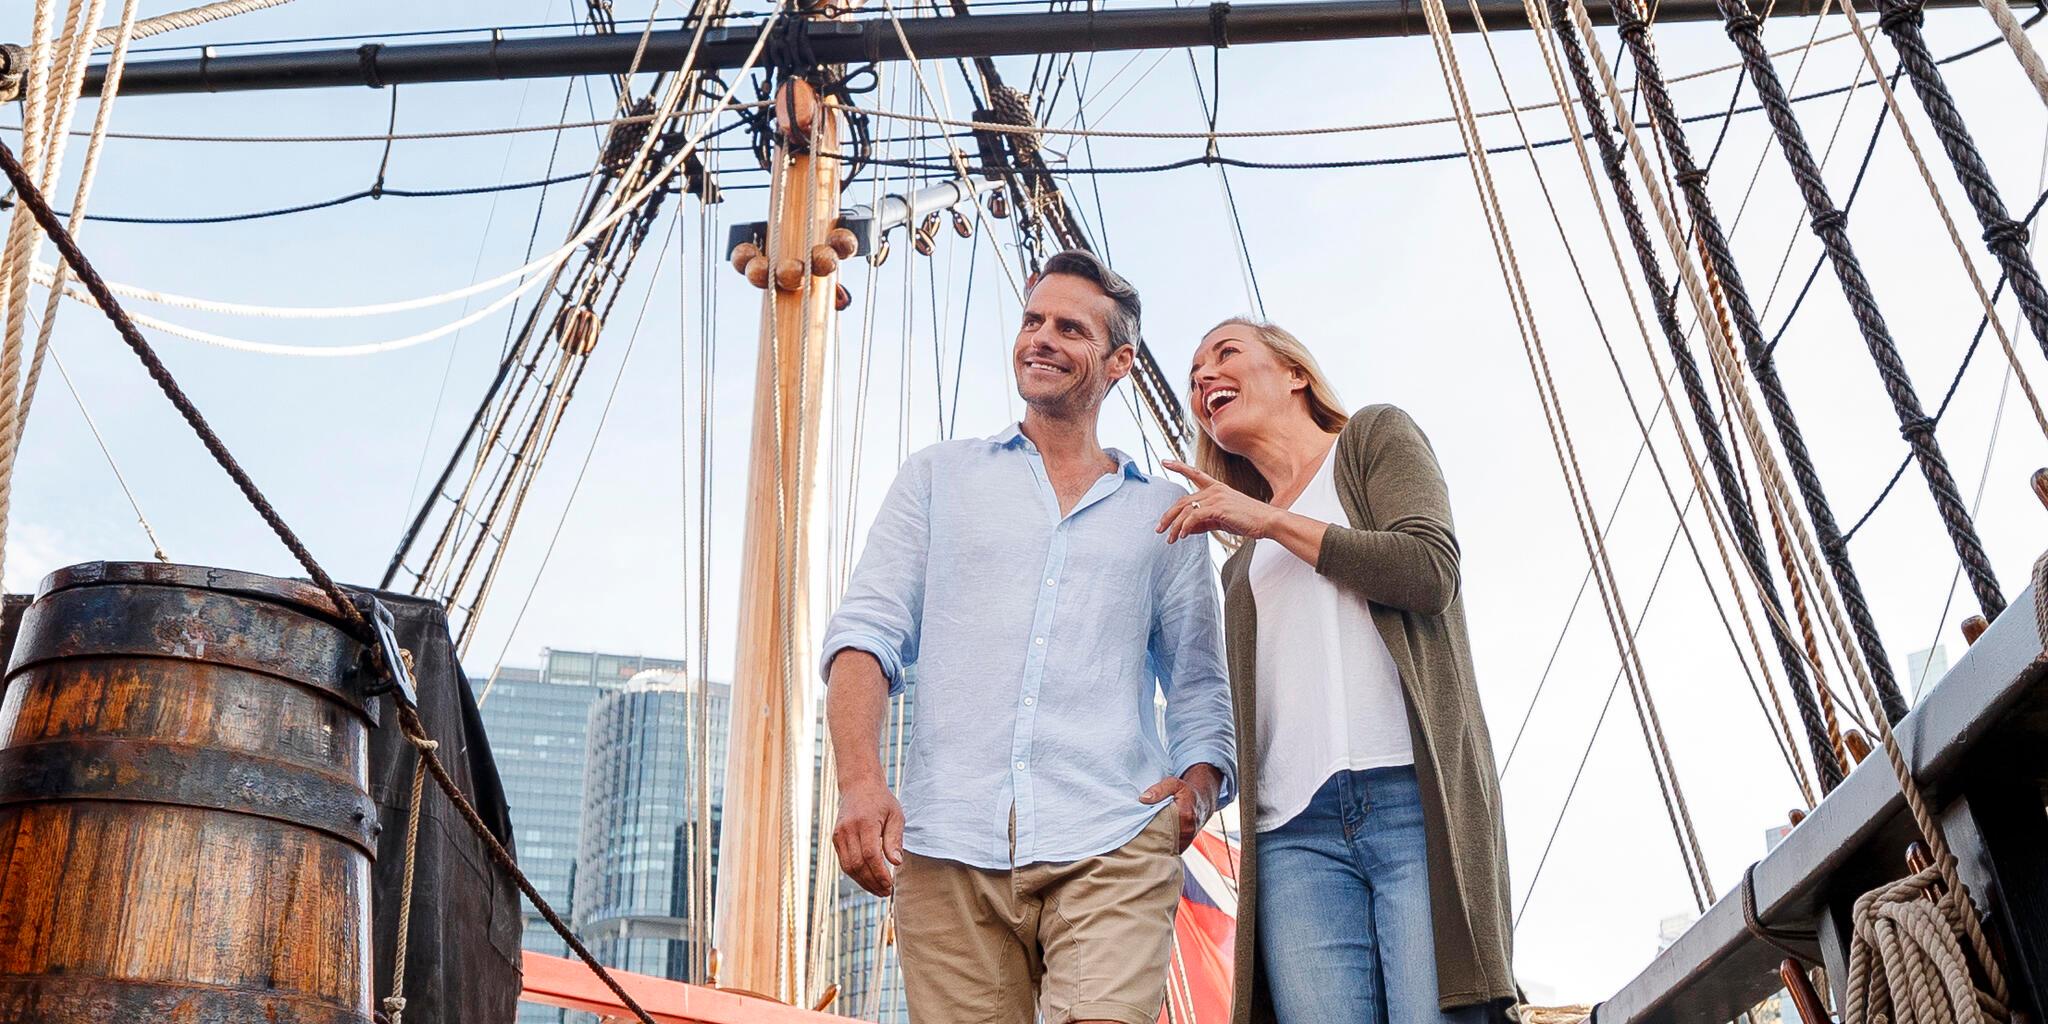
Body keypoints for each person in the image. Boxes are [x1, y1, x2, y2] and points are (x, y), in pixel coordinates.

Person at [821, 250, 1237, 1024]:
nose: (1040, 338)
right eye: (1032, 320)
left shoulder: (1167, 513)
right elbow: (865, 635)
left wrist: (1200, 787)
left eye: (1068, 328)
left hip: (1113, 837)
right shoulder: (937, 477)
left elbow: (1198, 683)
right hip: (947, 844)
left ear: (1119, 362)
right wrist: (859, 781)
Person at [1157, 318, 1516, 1024]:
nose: (1203, 378)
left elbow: (1428, 571)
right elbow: (1242, 718)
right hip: (1292, 840)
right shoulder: (1239, 570)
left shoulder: (1372, 440)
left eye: (1225, 354)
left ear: (1295, 373)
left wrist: (1268, 520)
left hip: (1410, 803)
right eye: (1195, 375)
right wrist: (1195, 780)